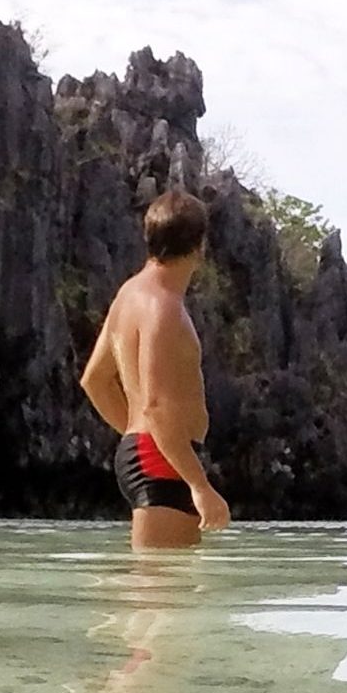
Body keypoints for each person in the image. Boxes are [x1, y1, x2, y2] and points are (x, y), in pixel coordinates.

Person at [81, 188, 233, 549]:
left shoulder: (129, 294)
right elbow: (154, 406)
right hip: (160, 460)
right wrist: (200, 485)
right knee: (159, 597)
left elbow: (95, 381)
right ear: (200, 246)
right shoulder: (161, 307)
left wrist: (136, 439)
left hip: (152, 452)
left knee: (161, 596)